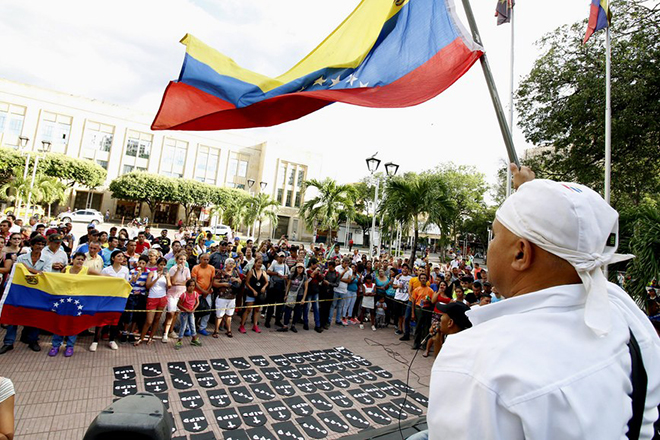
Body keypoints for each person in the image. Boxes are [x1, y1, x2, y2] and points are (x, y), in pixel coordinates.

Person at [427, 166, 660, 440]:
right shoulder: (624, 311)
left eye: (495, 235)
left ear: (521, 253)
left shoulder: (475, 361)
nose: (490, 246)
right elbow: (572, 231)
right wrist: (529, 193)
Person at [0, 235, 52, 354]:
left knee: (35, 316)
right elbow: (17, 273)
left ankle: (33, 341)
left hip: (37, 293)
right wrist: (35, 273)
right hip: (21, 292)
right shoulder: (22, 258)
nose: (40, 247)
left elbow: (46, 275)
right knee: (13, 316)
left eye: (42, 245)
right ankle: (8, 342)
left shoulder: (47, 259)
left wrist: (28, 269)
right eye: (37, 244)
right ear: (32, 245)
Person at [49, 252, 90, 357]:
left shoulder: (87, 270)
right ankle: (55, 345)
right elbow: (59, 281)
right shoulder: (66, 269)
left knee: (73, 322)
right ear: (73, 259)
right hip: (64, 299)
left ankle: (70, 346)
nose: (80, 261)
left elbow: (103, 278)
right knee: (60, 321)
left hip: (78, 301)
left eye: (82, 259)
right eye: (78, 259)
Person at [134, 257, 170, 346]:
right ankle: (141, 338)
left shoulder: (166, 274)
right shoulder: (152, 273)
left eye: (164, 265)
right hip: (152, 297)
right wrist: (157, 278)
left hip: (162, 298)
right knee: (149, 320)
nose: (162, 266)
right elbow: (148, 286)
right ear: (157, 265)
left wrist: (167, 278)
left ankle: (151, 337)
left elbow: (169, 286)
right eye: (161, 264)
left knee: (157, 319)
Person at [162, 252, 190, 342]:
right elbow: (172, 282)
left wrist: (180, 283)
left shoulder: (187, 269)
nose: (182, 261)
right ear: (176, 260)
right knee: (170, 313)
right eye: (181, 259)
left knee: (176, 314)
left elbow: (188, 282)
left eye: (184, 259)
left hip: (181, 294)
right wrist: (178, 271)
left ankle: (171, 330)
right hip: (172, 294)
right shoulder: (173, 269)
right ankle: (165, 333)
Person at [213, 258, 240, 338]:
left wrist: (236, 279)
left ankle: (229, 330)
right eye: (229, 263)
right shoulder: (221, 272)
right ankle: (216, 331)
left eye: (232, 263)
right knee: (219, 315)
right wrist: (224, 284)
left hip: (232, 297)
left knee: (229, 315)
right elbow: (214, 283)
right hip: (222, 296)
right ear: (226, 264)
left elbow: (240, 281)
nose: (231, 265)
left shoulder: (235, 272)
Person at [278, 263, 308, 333]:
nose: (300, 269)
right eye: (298, 268)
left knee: (297, 311)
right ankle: (285, 325)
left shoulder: (304, 277)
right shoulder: (292, 275)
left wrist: (303, 298)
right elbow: (288, 285)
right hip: (291, 294)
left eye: (301, 268)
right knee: (288, 310)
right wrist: (286, 294)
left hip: (299, 295)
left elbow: (306, 288)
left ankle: (293, 325)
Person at [241, 257, 268, 334]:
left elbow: (267, 282)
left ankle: (255, 325)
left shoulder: (263, 272)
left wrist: (264, 287)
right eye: (258, 263)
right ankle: (242, 325)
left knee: (257, 310)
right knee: (248, 309)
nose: (259, 264)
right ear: (255, 263)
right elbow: (247, 282)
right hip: (251, 293)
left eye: (261, 263)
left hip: (259, 294)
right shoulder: (251, 272)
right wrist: (253, 290)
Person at [191, 253, 215, 335]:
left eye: (207, 260)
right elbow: (194, 281)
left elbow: (212, 280)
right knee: (193, 310)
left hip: (207, 293)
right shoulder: (195, 268)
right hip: (196, 293)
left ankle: (202, 327)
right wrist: (202, 290)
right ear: (200, 259)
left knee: (207, 310)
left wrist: (207, 291)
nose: (206, 261)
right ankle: (191, 327)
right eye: (204, 259)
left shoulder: (212, 268)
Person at [264, 252, 289, 328]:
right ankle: (267, 321)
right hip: (273, 287)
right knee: (271, 305)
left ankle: (277, 321)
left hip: (281, 287)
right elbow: (268, 271)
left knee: (279, 306)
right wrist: (276, 274)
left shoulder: (285, 266)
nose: (281, 258)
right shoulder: (274, 264)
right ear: (277, 257)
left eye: (283, 257)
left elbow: (288, 276)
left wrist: (285, 277)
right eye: (280, 257)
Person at [175, 279, 202, 349]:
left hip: (191, 313)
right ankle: (179, 340)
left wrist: (193, 309)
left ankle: (194, 339)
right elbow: (178, 304)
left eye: (193, 286)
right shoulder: (183, 295)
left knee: (192, 325)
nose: (192, 287)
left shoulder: (195, 294)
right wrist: (186, 309)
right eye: (190, 286)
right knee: (183, 327)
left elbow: (197, 302)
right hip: (184, 313)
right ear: (187, 286)